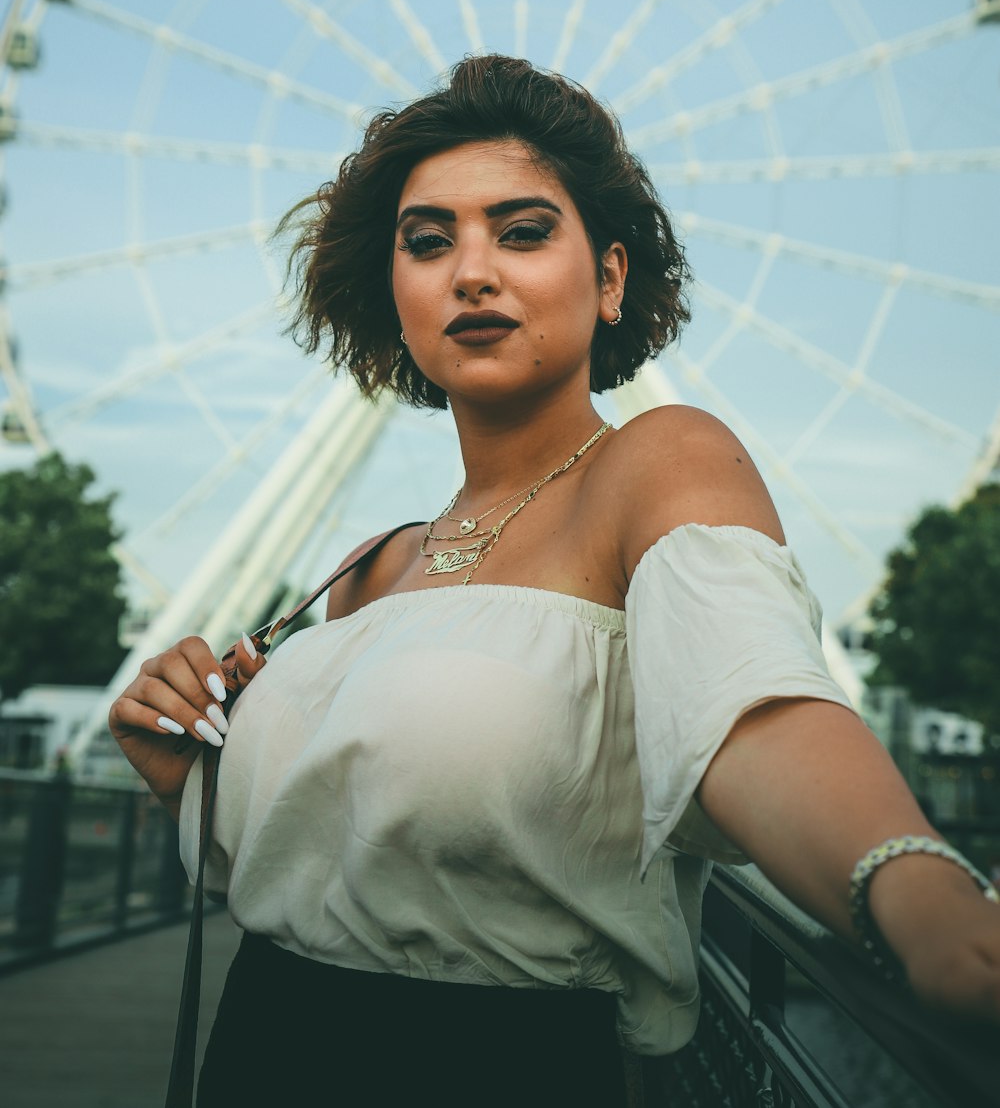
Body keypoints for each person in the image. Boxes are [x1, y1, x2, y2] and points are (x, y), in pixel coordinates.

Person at [109, 55, 1000, 1106]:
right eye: (427, 242)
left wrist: (916, 893)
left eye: (522, 232)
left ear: (611, 277)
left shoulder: (659, 464)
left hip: (495, 1068)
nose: (470, 272)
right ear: (392, 295)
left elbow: (750, 707)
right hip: (259, 1051)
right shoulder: (365, 567)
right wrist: (191, 780)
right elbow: (345, 852)